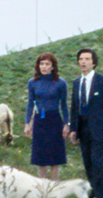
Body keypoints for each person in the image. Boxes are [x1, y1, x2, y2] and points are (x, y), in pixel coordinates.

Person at [66, 47, 103, 198]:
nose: (83, 62)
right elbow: (74, 107)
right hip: (83, 129)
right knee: (88, 163)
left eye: (87, 59)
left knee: (97, 162)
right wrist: (73, 129)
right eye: (81, 59)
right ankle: (93, 195)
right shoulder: (77, 83)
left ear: (94, 62)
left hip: (100, 129)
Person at [21, 52, 68, 180]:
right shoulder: (33, 83)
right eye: (41, 64)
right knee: (40, 156)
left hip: (54, 120)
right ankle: (42, 187)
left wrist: (66, 124)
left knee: (55, 156)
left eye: (47, 64)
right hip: (39, 120)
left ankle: (54, 187)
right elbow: (30, 104)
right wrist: (27, 124)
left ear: (53, 66)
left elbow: (64, 105)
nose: (44, 67)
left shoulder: (60, 83)